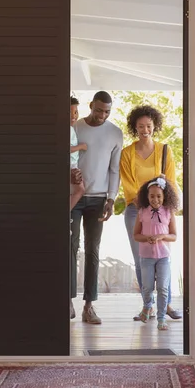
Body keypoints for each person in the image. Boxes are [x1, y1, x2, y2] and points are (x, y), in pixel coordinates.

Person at [120, 105, 182, 320]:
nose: (144, 129)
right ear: (134, 127)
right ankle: (148, 305)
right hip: (136, 210)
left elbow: (171, 182)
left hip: (162, 210)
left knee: (164, 256)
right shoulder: (127, 153)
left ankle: (167, 304)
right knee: (141, 259)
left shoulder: (165, 150)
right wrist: (144, 205)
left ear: (154, 126)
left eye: (148, 126)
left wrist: (160, 205)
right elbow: (128, 185)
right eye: (140, 126)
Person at [71, 91, 123, 324]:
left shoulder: (115, 133)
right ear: (91, 105)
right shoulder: (75, 127)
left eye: (107, 112)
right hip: (72, 197)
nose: (102, 115)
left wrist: (111, 198)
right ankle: (67, 302)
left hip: (99, 198)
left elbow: (115, 170)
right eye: (99, 109)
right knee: (69, 249)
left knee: (93, 250)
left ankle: (89, 306)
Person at [134, 176, 179, 331]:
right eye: (152, 196)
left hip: (163, 257)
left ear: (164, 196)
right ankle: (147, 306)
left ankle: (161, 319)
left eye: (159, 196)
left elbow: (174, 236)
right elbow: (136, 235)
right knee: (147, 287)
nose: (155, 199)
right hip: (146, 256)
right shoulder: (142, 212)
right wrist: (147, 238)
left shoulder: (168, 212)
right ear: (147, 197)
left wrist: (162, 236)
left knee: (163, 287)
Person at [70, 96, 87, 210]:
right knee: (80, 189)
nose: (73, 116)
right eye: (70, 112)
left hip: (73, 164)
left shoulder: (71, 128)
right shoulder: (66, 129)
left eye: (76, 112)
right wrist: (81, 146)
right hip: (71, 165)